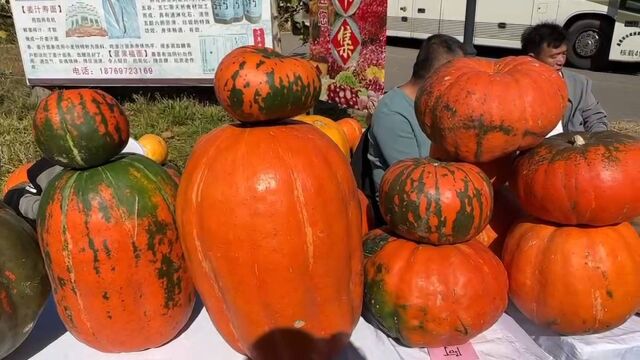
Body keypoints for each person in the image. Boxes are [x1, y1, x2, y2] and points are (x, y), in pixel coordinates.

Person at [351, 34, 464, 226]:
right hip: (406, 216)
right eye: (459, 78)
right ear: (439, 78)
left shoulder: (436, 107)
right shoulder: (393, 113)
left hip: (441, 202)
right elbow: (418, 186)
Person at [3, 138, 147, 229]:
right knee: (18, 199)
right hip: (34, 194)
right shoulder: (58, 183)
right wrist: (47, 209)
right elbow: (36, 208)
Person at [521, 22, 609, 136]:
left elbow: (595, 116)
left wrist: (596, 140)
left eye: (564, 54)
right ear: (532, 59)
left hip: (567, 148)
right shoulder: (519, 86)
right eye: (554, 56)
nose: (561, 61)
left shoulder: (579, 84)